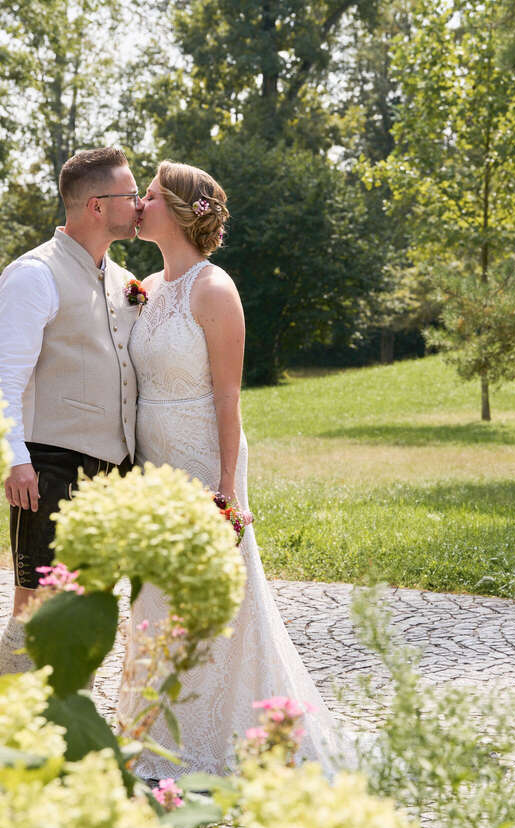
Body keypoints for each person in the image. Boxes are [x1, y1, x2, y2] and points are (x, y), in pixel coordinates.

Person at [116, 160, 355, 777]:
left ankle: (230, 735)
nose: (138, 204)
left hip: (203, 458)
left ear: (177, 208)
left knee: (220, 595)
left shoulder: (214, 289)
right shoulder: (146, 285)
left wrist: (225, 488)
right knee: (156, 594)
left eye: (148, 195)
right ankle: (155, 731)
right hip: (152, 466)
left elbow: (228, 395)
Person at [0, 147, 141, 675]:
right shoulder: (34, 274)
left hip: (113, 470)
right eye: (131, 193)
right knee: (35, 607)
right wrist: (14, 458)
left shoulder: (122, 280)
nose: (139, 202)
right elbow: (2, 376)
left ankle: (67, 712)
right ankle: (10, 720)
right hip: (48, 465)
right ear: (97, 205)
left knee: (87, 604)